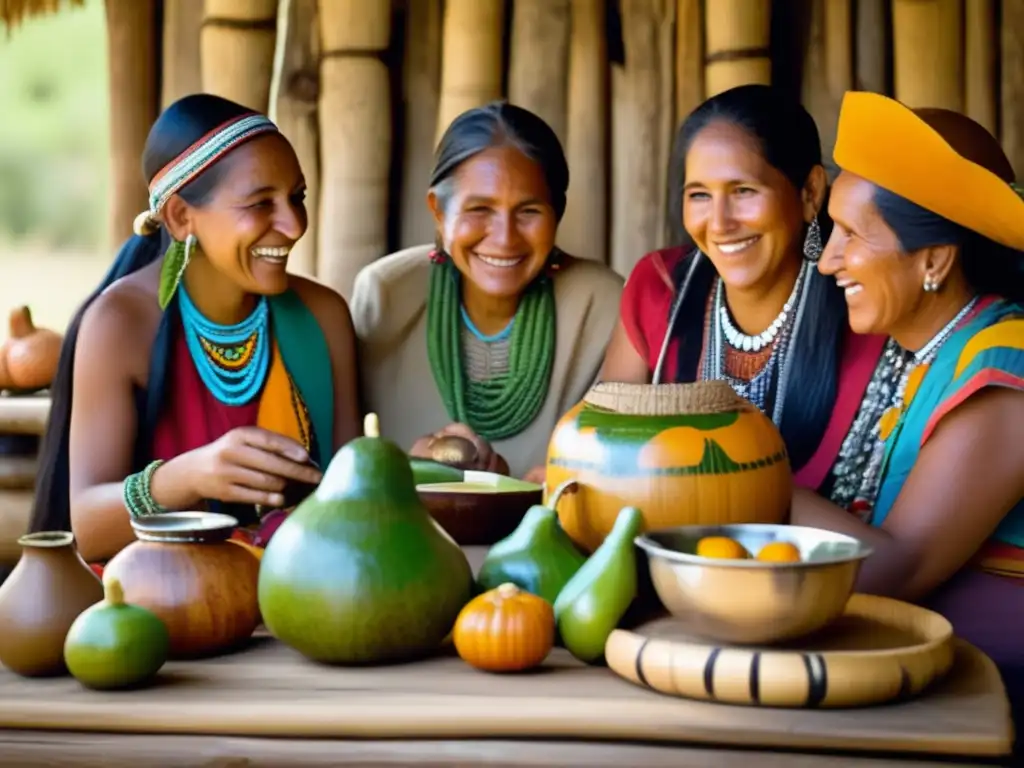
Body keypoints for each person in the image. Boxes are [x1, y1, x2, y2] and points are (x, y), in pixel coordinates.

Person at [29, 94, 362, 564]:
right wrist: (189, 477)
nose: (293, 225)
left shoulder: (323, 316)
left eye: (296, 197)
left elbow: (353, 495)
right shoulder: (120, 325)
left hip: (309, 598)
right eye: (260, 203)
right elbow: (88, 528)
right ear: (182, 217)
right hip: (159, 611)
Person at [789, 91, 1024, 721]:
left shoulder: (1005, 362)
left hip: (994, 692)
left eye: (852, 235)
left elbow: (897, 566)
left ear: (935, 260)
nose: (828, 259)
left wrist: (734, 475)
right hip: (911, 666)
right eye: (830, 229)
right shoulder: (909, 349)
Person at [600, 84, 886, 489]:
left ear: (810, 192)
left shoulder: (866, 309)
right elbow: (600, 447)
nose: (719, 223)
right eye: (699, 195)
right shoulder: (659, 289)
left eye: (743, 192)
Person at [350, 101, 624, 480]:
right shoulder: (386, 297)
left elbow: (614, 470)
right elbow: (346, 462)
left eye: (529, 211)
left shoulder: (601, 306)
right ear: (438, 212)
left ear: (556, 215)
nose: (505, 238)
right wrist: (409, 469)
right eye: (479, 209)